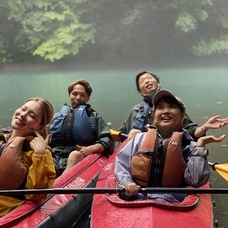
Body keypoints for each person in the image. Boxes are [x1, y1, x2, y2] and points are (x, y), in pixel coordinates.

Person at [115, 89, 227, 202]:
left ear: (181, 116)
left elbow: (196, 180)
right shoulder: (139, 139)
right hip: (138, 196)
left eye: (172, 107)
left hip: (171, 201)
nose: (166, 111)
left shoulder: (189, 147)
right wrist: (126, 182)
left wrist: (200, 147)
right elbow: (122, 163)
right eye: (160, 107)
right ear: (154, 117)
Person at [120, 71, 228, 141]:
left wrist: (204, 128)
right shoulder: (136, 111)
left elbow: (191, 131)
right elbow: (124, 136)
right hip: (142, 154)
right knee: (134, 132)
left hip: (171, 150)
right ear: (140, 91)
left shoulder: (174, 106)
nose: (147, 81)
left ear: (159, 83)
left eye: (149, 78)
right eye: (142, 81)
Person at [0, 97, 56, 217]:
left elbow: (35, 195)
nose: (22, 115)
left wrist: (39, 156)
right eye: (23, 109)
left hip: (6, 213)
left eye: (32, 115)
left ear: (40, 128)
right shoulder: (2, 139)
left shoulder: (41, 153)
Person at [48, 79, 114, 176]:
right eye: (74, 94)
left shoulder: (94, 117)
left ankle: (60, 185)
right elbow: (42, 136)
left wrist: (92, 148)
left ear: (88, 98)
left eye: (82, 95)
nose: (78, 98)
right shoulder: (56, 116)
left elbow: (108, 139)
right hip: (55, 157)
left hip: (80, 156)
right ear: (69, 95)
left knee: (75, 155)